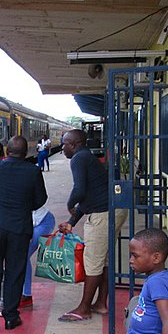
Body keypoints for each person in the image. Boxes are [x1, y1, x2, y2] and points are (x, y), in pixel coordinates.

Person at [57, 129, 128, 322]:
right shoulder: (87, 157)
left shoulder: (78, 159)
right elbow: (89, 195)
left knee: (93, 262)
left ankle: (84, 308)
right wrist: (72, 222)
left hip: (102, 214)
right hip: (111, 210)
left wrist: (69, 204)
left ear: (73, 144)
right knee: (103, 260)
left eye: (64, 143)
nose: (62, 147)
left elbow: (79, 190)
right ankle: (100, 304)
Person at [0, 136, 47, 331]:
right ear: (26, 153)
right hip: (19, 227)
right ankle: (10, 316)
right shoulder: (33, 171)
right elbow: (40, 199)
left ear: (7, 150)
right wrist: (24, 205)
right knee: (14, 272)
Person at [18, 205, 56, 309]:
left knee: (22, 255)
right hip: (27, 222)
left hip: (41, 221)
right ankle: (22, 292)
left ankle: (26, 295)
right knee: (19, 256)